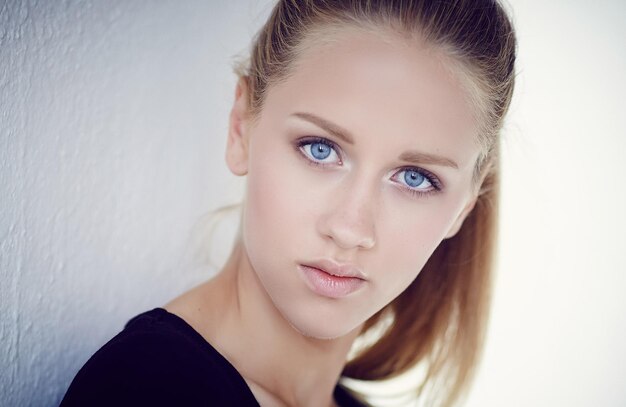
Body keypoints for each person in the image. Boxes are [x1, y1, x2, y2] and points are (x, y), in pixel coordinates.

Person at [60, 0, 517, 406]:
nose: (350, 228)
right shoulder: (145, 389)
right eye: (320, 149)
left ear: (463, 206)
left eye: (415, 178)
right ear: (241, 126)